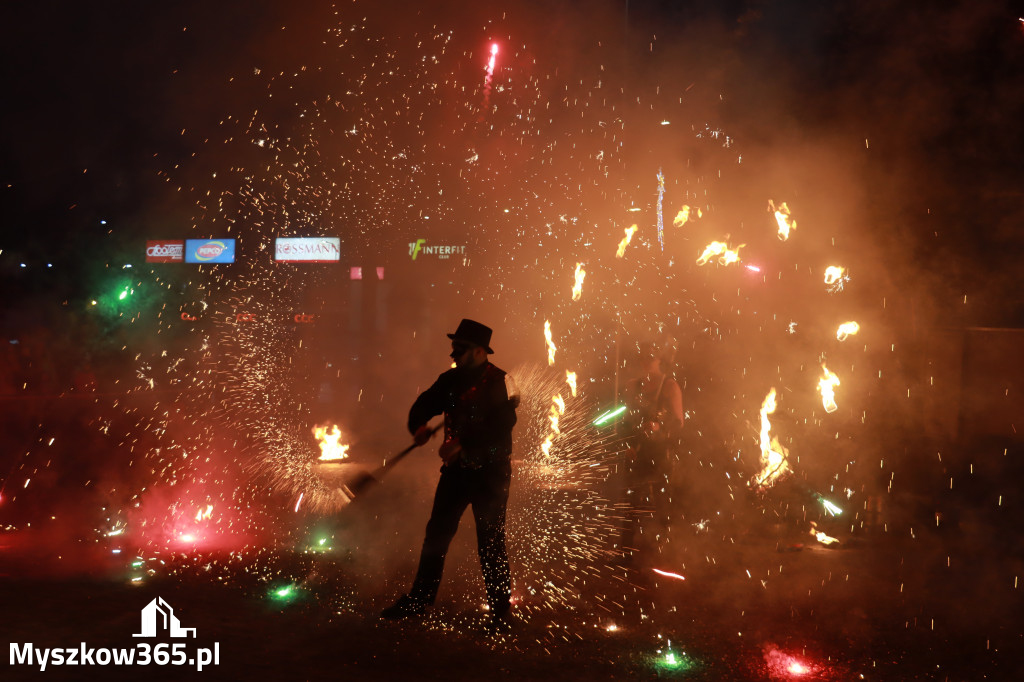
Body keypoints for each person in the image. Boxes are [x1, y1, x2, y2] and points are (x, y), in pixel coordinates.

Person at [381, 319, 520, 622]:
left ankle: (500, 612)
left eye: (461, 348)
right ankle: (419, 601)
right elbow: (424, 404)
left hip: (491, 474)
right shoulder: (450, 380)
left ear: (480, 351)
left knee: (490, 542)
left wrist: (463, 443)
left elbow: (502, 425)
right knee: (437, 536)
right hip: (457, 473)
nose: (454, 353)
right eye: (454, 346)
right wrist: (418, 426)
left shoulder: (502, 381)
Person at [620, 341, 684, 564]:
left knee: (662, 503)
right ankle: (626, 551)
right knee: (631, 502)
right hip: (637, 452)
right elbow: (627, 420)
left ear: (659, 360)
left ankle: (666, 553)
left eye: (651, 357)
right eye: (643, 358)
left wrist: (659, 428)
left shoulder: (669, 386)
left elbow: (678, 423)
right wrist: (627, 444)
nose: (647, 362)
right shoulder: (633, 385)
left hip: (660, 454)